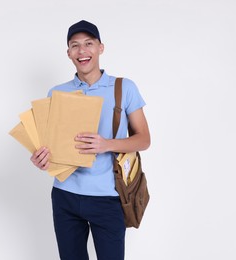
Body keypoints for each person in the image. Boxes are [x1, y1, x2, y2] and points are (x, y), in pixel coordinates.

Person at [30, 20, 150, 260]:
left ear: (100, 48)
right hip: (65, 196)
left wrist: (107, 144)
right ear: (68, 53)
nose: (82, 51)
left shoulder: (123, 88)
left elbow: (144, 139)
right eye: (75, 45)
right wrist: (41, 159)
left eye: (88, 44)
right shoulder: (56, 92)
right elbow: (48, 144)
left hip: (108, 197)